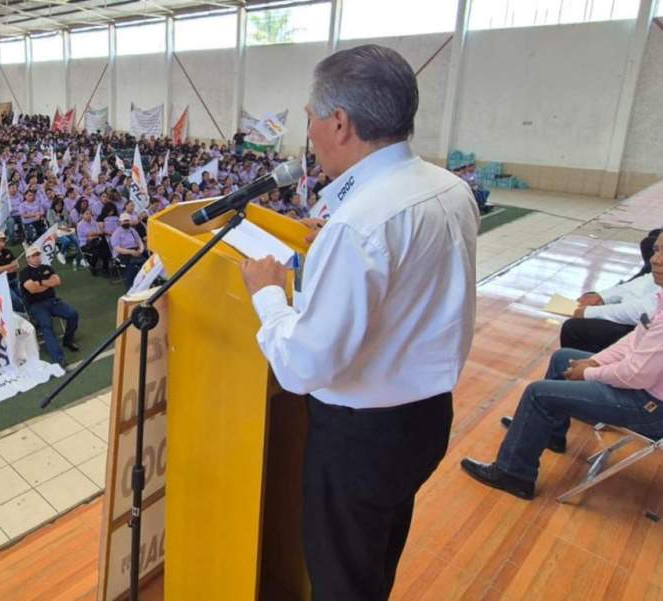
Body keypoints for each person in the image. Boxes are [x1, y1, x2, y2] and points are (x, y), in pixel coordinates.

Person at [238, 45, 479, 600]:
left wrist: (269, 296)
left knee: (343, 580)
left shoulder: (358, 223)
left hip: (360, 436)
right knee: (374, 564)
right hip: (423, 418)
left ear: (340, 122)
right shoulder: (448, 187)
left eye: (311, 120)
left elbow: (304, 366)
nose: (312, 136)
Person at [461, 232, 663, 501]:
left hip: (649, 408)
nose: (655, 261)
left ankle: (514, 474)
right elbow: (633, 340)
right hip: (645, 391)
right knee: (562, 358)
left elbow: (634, 375)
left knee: (538, 393)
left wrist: (589, 372)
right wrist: (596, 360)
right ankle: (551, 433)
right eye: (657, 251)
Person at [561, 272, 659, 353]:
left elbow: (644, 312)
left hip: (647, 330)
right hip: (637, 316)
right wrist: (601, 297)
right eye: (656, 250)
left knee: (574, 327)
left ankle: (587, 370)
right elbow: (643, 283)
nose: (654, 259)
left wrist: (589, 312)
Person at [21, 246, 79, 366]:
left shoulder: (47, 267)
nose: (37, 257)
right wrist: (47, 283)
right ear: (28, 259)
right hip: (36, 305)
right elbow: (32, 289)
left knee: (73, 314)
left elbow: (57, 281)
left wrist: (40, 283)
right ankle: (59, 359)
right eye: (34, 256)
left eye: (38, 255)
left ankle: (68, 340)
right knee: (46, 327)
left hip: (53, 301)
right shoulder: (24, 273)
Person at [0, 231, 24, 311]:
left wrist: (4, 269)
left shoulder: (7, 251)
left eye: (3, 241)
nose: (2, 244)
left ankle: (28, 312)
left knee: (24, 296)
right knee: (15, 300)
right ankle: (22, 314)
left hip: (13, 279)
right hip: (1, 283)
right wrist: (10, 266)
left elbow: (16, 266)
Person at [110, 213, 147, 289]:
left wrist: (141, 250)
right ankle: (130, 287)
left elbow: (139, 241)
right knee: (131, 265)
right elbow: (117, 248)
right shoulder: (116, 233)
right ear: (120, 222)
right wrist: (131, 252)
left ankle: (145, 283)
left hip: (134, 250)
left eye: (128, 221)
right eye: (124, 221)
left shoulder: (132, 230)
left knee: (146, 261)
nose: (126, 223)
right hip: (122, 254)